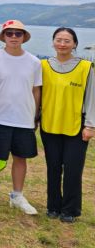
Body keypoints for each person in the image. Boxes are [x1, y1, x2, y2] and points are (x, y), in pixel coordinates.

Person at [0, 20, 41, 216]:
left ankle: (17, 195)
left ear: (24, 36)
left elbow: (36, 90)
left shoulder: (34, 62)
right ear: (3, 36)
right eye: (9, 33)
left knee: (20, 158)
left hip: (24, 118)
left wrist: (34, 115)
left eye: (18, 33)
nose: (14, 37)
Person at [40, 27, 95, 223]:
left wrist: (90, 125)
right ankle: (53, 206)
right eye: (58, 39)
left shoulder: (86, 67)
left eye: (67, 41)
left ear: (75, 44)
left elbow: (92, 97)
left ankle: (70, 210)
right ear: (53, 42)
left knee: (73, 170)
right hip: (50, 124)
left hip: (76, 126)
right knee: (53, 168)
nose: (62, 44)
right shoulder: (43, 65)